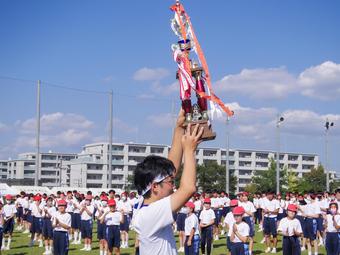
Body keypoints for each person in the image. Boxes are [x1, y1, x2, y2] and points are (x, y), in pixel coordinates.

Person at [132, 109, 204, 255]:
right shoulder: (150, 213)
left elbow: (172, 168)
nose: (173, 186)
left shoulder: (145, 203)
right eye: (170, 182)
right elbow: (189, 188)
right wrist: (189, 150)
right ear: (155, 187)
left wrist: (179, 128)